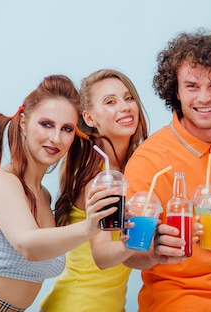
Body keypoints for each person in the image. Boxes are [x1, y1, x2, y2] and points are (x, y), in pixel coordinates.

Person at [0, 75, 120, 312]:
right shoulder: (3, 184)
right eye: (46, 124)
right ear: (23, 123)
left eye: (66, 129)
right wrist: (89, 226)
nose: (56, 138)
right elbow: (29, 246)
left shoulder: (44, 197)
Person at [122, 29, 211, 311]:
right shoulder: (149, 160)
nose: (204, 98)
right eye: (192, 86)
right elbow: (129, 254)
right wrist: (153, 250)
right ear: (177, 91)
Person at [39, 69, 149, 312]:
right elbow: (103, 257)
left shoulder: (131, 167)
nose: (124, 107)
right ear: (89, 118)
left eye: (128, 98)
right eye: (110, 102)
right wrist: (148, 239)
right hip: (77, 306)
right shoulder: (100, 177)